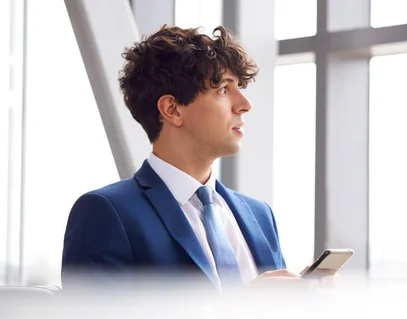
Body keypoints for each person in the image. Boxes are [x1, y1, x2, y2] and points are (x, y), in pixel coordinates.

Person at [62, 25, 321, 292]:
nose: (245, 104)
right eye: (223, 89)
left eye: (240, 87)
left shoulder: (259, 214)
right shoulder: (105, 213)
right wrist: (237, 310)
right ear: (172, 109)